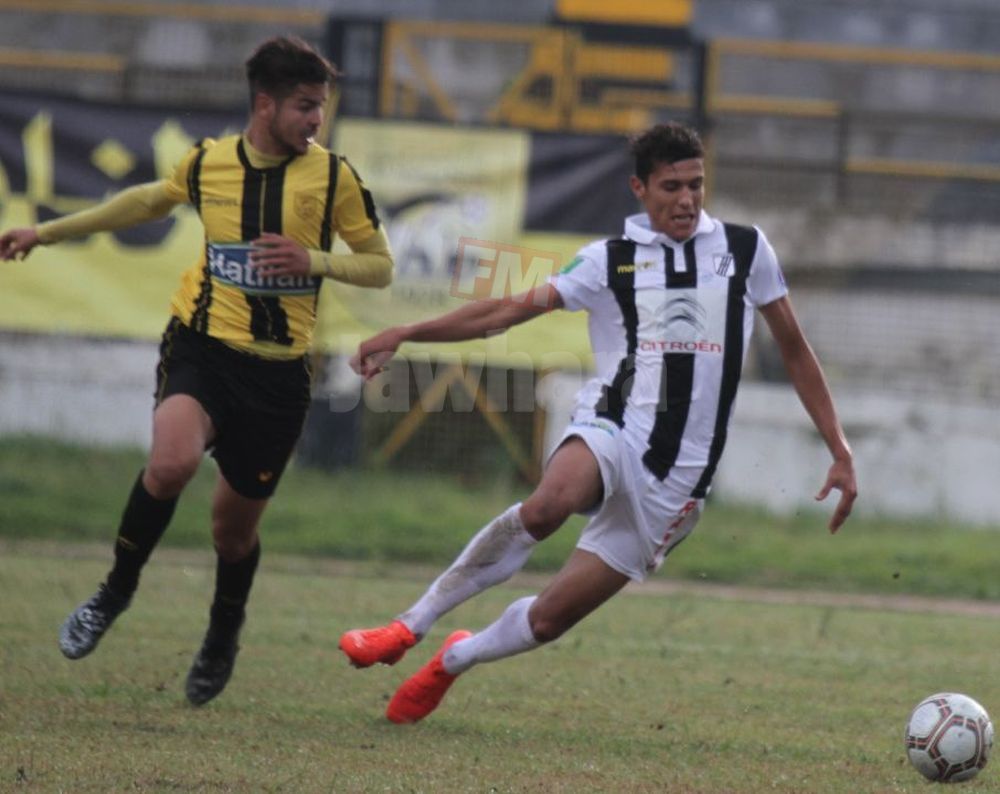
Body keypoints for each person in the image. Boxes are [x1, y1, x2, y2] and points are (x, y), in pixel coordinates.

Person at [339, 121, 857, 724]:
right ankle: (409, 625)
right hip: (615, 427)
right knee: (547, 507)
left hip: (677, 484)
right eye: (671, 187)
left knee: (548, 621)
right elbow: (505, 311)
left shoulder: (746, 250)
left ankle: (455, 660)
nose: (686, 199)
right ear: (640, 188)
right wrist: (407, 332)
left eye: (695, 184)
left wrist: (839, 449)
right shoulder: (609, 261)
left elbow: (794, 349)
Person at [0, 35, 393, 706]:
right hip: (202, 348)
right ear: (265, 105)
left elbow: (379, 265)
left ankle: (222, 630)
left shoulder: (334, 178)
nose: (315, 119)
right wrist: (47, 231)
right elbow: (145, 201)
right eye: (304, 105)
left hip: (277, 377)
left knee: (232, 534)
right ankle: (114, 592)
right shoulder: (209, 163)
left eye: (321, 106)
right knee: (170, 464)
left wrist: (313, 261)